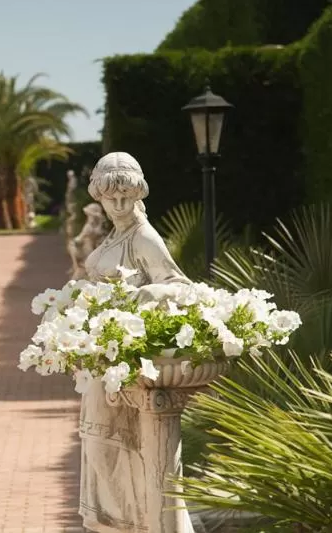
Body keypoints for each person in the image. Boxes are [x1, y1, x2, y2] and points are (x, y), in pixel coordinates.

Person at [79, 152, 190, 532]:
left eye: (127, 196)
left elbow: (180, 288)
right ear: (100, 197)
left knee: (116, 448)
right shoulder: (114, 236)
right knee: (99, 448)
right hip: (103, 362)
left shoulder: (143, 236)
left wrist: (142, 297)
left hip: (127, 366)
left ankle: (132, 524)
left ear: (138, 194)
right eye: (112, 198)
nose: (120, 204)